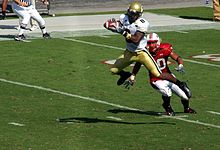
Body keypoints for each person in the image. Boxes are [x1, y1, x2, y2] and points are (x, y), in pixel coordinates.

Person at [104, 1, 188, 92]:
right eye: (130, 13)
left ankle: (181, 84)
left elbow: (136, 40)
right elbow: (115, 25)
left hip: (142, 53)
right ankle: (125, 75)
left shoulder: (142, 23)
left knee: (158, 74)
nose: (132, 15)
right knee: (113, 70)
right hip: (129, 52)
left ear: (139, 14)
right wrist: (111, 26)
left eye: (134, 14)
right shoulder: (123, 17)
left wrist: (122, 32)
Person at [126, 33, 196, 116]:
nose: (151, 45)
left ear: (158, 42)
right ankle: (167, 107)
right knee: (167, 92)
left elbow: (177, 57)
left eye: (153, 42)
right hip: (156, 79)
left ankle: (186, 108)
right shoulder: (144, 53)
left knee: (185, 96)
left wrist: (180, 64)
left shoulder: (165, 48)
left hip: (169, 77)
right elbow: (138, 64)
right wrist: (133, 76)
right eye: (149, 43)